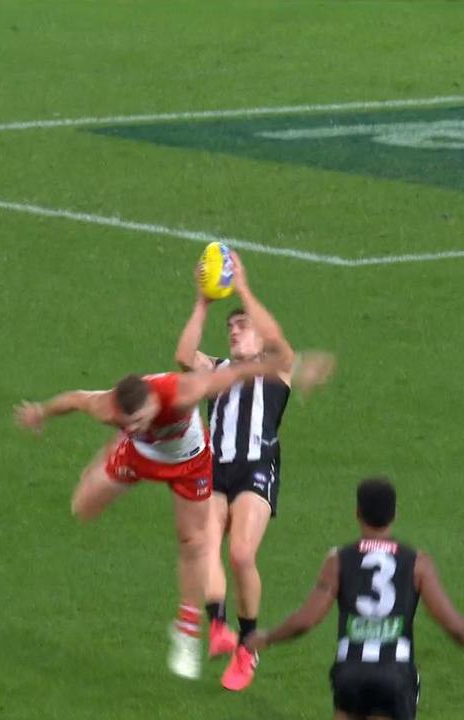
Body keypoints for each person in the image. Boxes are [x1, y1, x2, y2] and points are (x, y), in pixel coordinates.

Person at [14, 347, 333, 680]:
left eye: (136, 421)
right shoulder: (109, 408)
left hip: (188, 464)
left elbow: (242, 372)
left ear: (151, 403)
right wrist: (42, 412)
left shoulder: (183, 391)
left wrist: (297, 366)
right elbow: (77, 399)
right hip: (139, 457)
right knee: (82, 507)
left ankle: (186, 629)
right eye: (126, 423)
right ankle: (113, 454)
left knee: (192, 541)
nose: (132, 426)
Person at [247, 477, 464, 719]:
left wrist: (268, 637)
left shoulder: (338, 560)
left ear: (357, 512)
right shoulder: (417, 563)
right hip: (394, 675)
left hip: (350, 673)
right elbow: (450, 622)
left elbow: (306, 620)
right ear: (394, 514)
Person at [174, 251, 298, 691]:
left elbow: (280, 339)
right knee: (205, 544)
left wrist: (243, 289)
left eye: (242, 325)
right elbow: (184, 353)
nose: (234, 331)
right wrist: (203, 303)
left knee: (241, 553)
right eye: (230, 327)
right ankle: (219, 627)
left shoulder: (275, 366)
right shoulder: (218, 370)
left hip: (256, 468)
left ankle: (249, 645)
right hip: (217, 468)